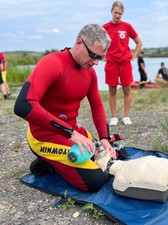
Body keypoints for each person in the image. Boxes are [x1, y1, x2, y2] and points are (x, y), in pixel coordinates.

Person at [14, 24, 117, 192]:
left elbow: (97, 106)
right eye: (93, 55)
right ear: (79, 42)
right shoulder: (52, 63)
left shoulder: (89, 72)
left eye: (100, 57)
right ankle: (50, 161)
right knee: (96, 180)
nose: (96, 62)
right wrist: (71, 133)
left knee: (106, 157)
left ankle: (49, 163)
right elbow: (23, 105)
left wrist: (104, 138)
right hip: (43, 136)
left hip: (71, 132)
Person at [103, 1, 142, 126]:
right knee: (112, 91)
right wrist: (102, 55)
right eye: (115, 13)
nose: (117, 15)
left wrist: (133, 56)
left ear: (123, 13)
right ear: (111, 12)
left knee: (127, 90)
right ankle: (114, 117)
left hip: (125, 63)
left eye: (120, 13)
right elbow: (97, 43)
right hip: (111, 63)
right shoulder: (104, 28)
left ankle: (126, 116)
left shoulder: (127, 26)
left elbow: (139, 43)